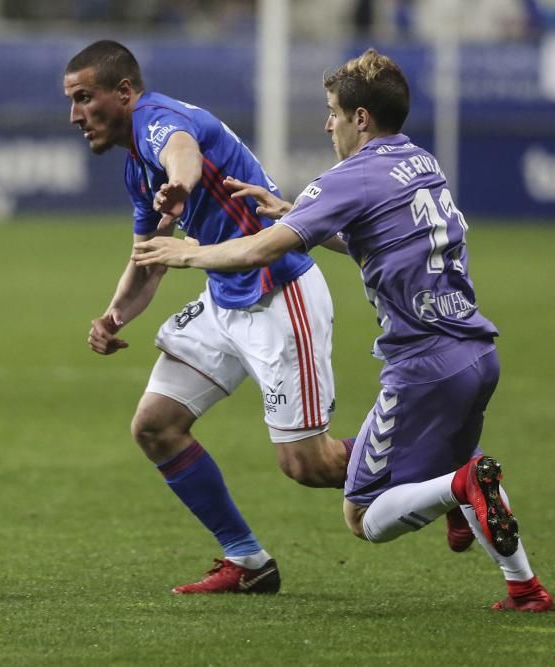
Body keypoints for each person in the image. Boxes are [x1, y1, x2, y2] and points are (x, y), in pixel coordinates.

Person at [133, 48, 554, 612]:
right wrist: (293, 211)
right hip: (478, 353)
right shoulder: (422, 162)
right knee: (458, 465)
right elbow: (373, 237)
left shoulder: (348, 178)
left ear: (362, 118)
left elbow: (257, 250)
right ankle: (525, 587)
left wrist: (189, 254)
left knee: (363, 516)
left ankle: (459, 489)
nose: (328, 122)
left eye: (334, 111)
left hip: (423, 369)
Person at [64, 40, 353, 594]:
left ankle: (444, 470)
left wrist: (181, 182)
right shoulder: (136, 167)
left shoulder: (157, 120)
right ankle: (246, 561)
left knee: (308, 465)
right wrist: (114, 316)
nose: (75, 115)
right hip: (226, 297)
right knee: (155, 426)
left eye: (84, 98)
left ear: (124, 93)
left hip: (278, 291)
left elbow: (182, 151)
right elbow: (149, 260)